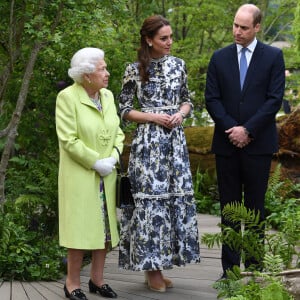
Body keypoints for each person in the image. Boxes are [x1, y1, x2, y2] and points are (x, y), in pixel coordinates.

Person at [118, 15, 200, 293]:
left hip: (174, 144)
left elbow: (188, 100)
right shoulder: (134, 69)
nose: (169, 42)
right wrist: (153, 117)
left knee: (171, 204)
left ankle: (159, 265)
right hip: (149, 145)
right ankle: (152, 269)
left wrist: (179, 114)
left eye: (171, 37)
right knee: (151, 205)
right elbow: (124, 110)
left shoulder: (179, 65)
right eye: (164, 38)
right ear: (149, 40)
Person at [205, 4, 285, 278]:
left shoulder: (273, 56)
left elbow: (274, 99)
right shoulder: (219, 57)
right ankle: (230, 272)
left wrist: (248, 130)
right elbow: (211, 98)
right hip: (226, 145)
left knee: (254, 210)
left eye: (244, 27)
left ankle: (253, 270)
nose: (237, 31)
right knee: (229, 209)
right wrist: (232, 129)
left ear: (257, 28)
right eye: (235, 25)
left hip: (259, 145)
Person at [55, 47, 124, 299]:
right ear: (86, 75)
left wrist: (115, 156)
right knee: (79, 230)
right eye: (102, 69)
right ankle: (72, 283)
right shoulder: (67, 97)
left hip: (107, 174)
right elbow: (69, 140)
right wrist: (96, 162)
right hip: (81, 175)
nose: (107, 73)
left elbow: (118, 131)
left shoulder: (107, 96)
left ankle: (97, 280)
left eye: (105, 68)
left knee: (104, 229)